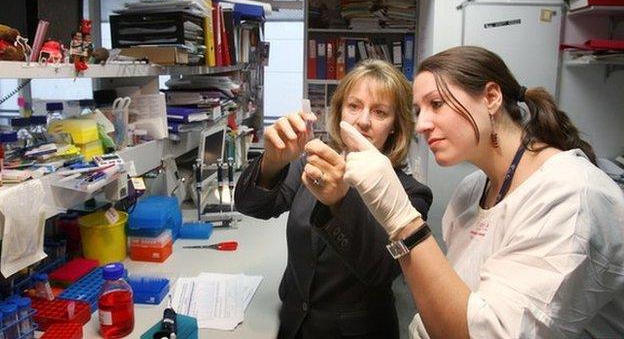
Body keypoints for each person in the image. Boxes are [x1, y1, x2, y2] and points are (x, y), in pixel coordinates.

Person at [340, 46, 624, 338]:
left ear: (490, 97)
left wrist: (402, 220)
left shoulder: (571, 196)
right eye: (418, 111)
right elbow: (458, 300)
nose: (422, 125)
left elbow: (492, 333)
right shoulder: (472, 190)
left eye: (436, 104)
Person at [235, 59, 433, 339]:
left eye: (379, 112)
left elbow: (380, 270)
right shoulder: (312, 164)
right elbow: (251, 205)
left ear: (395, 126)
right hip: (293, 324)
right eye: (354, 106)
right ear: (338, 111)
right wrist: (271, 161)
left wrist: (340, 199)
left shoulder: (411, 193)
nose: (363, 121)